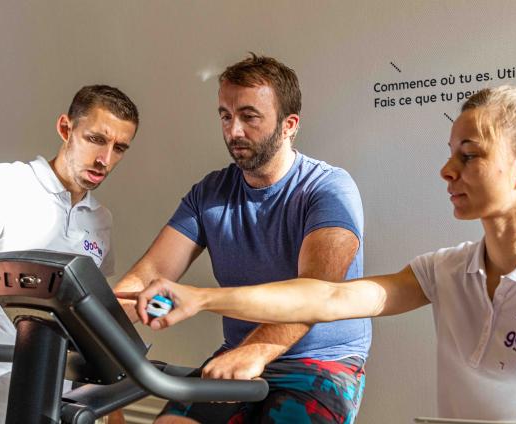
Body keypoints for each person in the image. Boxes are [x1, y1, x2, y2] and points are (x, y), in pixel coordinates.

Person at [133, 86, 516, 423]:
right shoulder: (445, 270)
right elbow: (326, 298)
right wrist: (202, 299)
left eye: (469, 156)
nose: (447, 170)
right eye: (451, 153)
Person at [114, 54, 371, 424]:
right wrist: (94, 328)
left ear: (289, 126)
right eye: (225, 116)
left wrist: (259, 350)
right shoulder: (210, 193)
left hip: (320, 363)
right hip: (238, 354)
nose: (233, 131)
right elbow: (150, 274)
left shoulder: (329, 188)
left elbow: (316, 289)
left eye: (249, 117)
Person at [0, 85, 139, 424]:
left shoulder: (101, 221)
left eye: (120, 148)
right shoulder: (0, 184)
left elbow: (94, 324)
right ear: (66, 129)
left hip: (52, 408)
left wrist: (115, 413)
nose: (106, 159)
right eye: (96, 139)